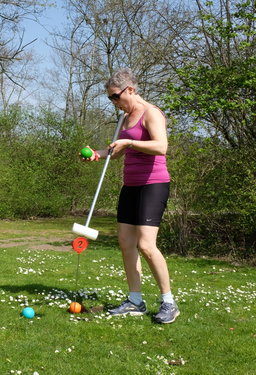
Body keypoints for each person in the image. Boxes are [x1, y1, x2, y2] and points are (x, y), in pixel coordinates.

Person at [82, 68, 179, 324]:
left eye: (115, 96)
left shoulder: (151, 113)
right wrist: (99, 153)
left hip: (153, 184)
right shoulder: (123, 119)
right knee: (126, 243)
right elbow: (117, 151)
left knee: (146, 245)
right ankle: (135, 300)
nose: (113, 102)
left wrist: (130, 143)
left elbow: (161, 146)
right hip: (131, 185)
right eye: (110, 98)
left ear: (131, 90)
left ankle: (169, 302)